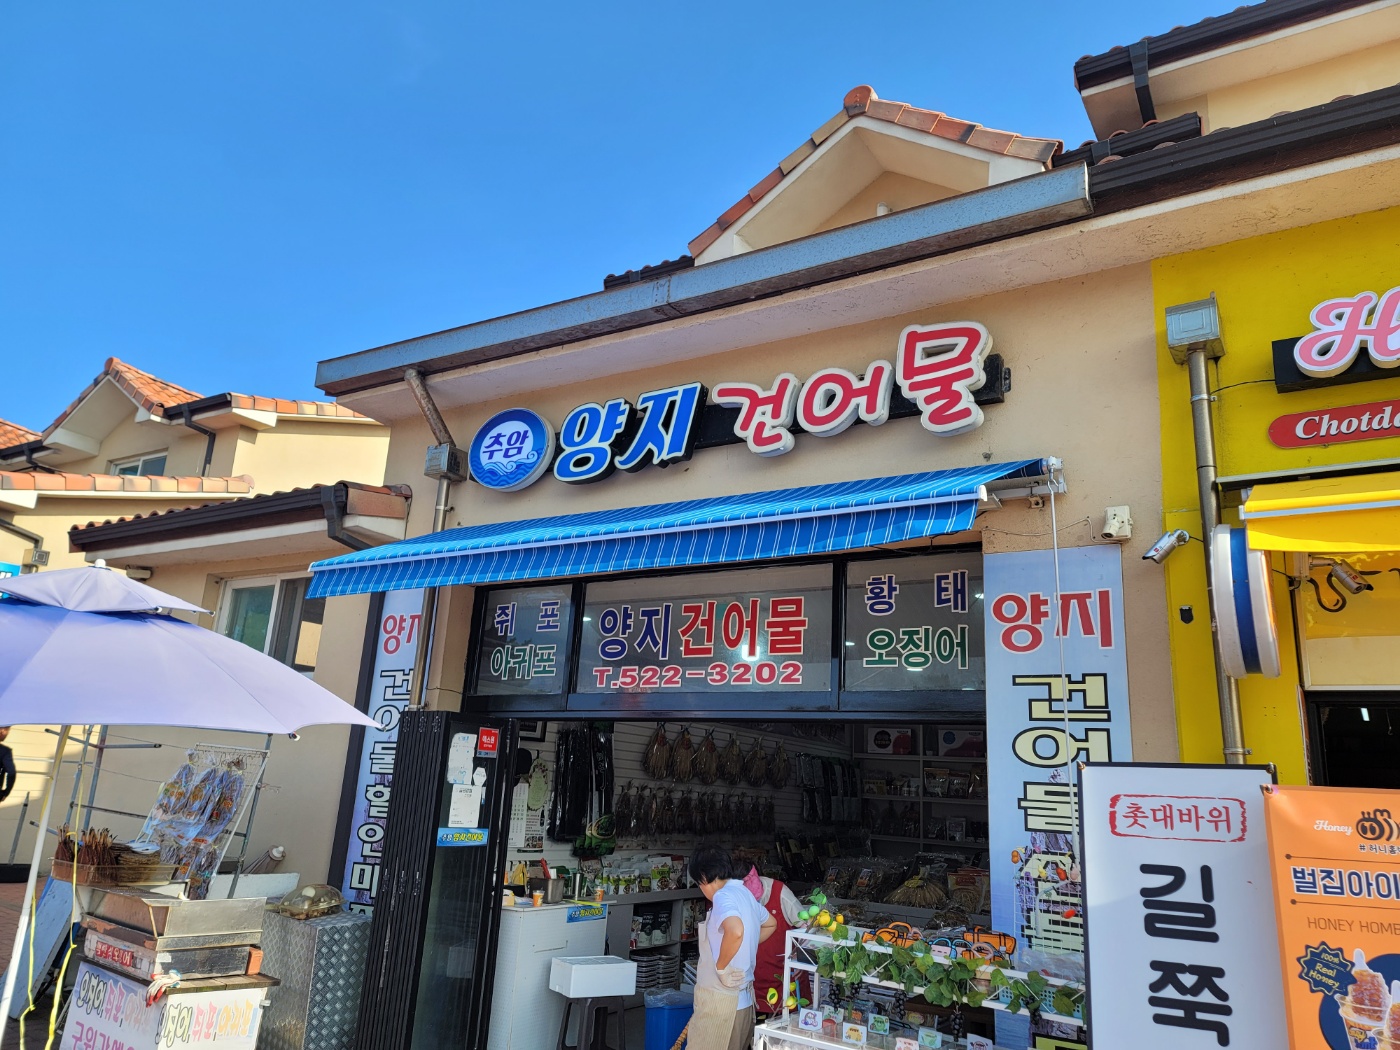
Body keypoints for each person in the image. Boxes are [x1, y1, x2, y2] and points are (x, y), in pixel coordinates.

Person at [689, 844, 776, 1050]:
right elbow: (771, 923)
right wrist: (745, 944)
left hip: (721, 1005)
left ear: (704, 877)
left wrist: (721, 967)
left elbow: (735, 931)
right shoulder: (744, 893)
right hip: (744, 1003)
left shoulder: (722, 896)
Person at [0, 727, 14, 804]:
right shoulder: (4, 751)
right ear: (2, 730)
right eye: (8, 731)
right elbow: (11, 772)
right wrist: (6, 792)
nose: (7, 734)